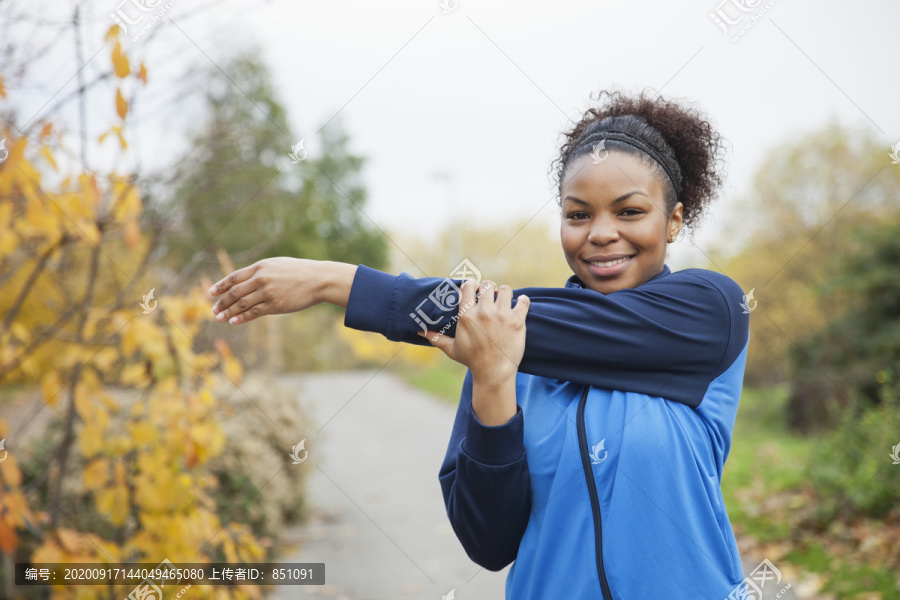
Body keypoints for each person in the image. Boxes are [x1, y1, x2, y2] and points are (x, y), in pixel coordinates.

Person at [208, 89, 749, 599]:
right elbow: (489, 544)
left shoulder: (709, 312)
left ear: (674, 220)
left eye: (629, 211)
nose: (600, 233)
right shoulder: (501, 348)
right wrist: (492, 380)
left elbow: (524, 316)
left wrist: (336, 282)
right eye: (578, 214)